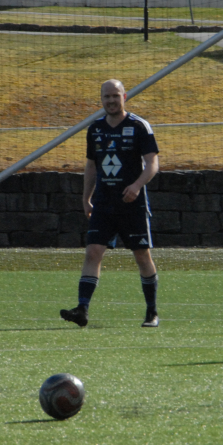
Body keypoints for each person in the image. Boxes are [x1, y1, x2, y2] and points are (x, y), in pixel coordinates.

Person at [60, 79, 161, 328]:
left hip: (132, 204)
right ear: (101, 99)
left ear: (124, 97)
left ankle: (152, 312)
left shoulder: (139, 126)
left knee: (141, 256)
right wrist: (86, 198)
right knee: (93, 252)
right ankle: (82, 309)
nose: (111, 100)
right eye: (107, 97)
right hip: (104, 203)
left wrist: (136, 186)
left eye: (116, 96)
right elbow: (91, 166)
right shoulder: (95, 129)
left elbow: (152, 164)